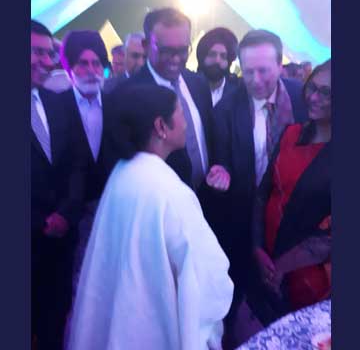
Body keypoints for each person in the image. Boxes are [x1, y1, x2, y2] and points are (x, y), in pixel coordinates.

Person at [65, 85, 234, 350]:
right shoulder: (170, 191)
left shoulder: (123, 172)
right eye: (181, 113)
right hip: (153, 330)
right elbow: (207, 277)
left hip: (125, 321)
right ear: (161, 126)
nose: (186, 124)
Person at [211, 29, 308, 341]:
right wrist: (221, 171)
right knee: (244, 290)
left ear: (280, 65)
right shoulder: (227, 108)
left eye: (264, 70)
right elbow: (222, 157)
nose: (255, 80)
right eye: (247, 71)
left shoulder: (303, 99)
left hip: (295, 216)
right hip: (244, 216)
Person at [250, 59, 332, 325]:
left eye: (327, 93)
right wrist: (257, 248)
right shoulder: (291, 133)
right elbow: (263, 192)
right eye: (312, 88)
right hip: (266, 259)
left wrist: (281, 268)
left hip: (307, 277)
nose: (314, 98)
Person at [118, 7, 230, 194]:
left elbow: (210, 136)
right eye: (166, 50)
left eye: (183, 50)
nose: (176, 58)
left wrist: (221, 167)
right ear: (146, 45)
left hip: (208, 196)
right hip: (164, 202)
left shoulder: (199, 83)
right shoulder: (126, 96)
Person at [30, 20, 88, 350]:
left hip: (60, 244)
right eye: (36, 52)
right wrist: (40, 223)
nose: (45, 60)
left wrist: (66, 213)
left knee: (54, 324)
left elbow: (76, 165)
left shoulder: (57, 102)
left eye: (48, 53)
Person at [59, 29, 118, 288]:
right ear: (69, 67)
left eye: (96, 63)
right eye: (83, 63)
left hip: (110, 210)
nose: (92, 71)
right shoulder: (56, 106)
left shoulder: (117, 105)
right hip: (69, 216)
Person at [196, 27, 241, 107]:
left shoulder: (238, 94)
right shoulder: (187, 86)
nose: (217, 60)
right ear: (202, 57)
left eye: (223, 56)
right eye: (212, 54)